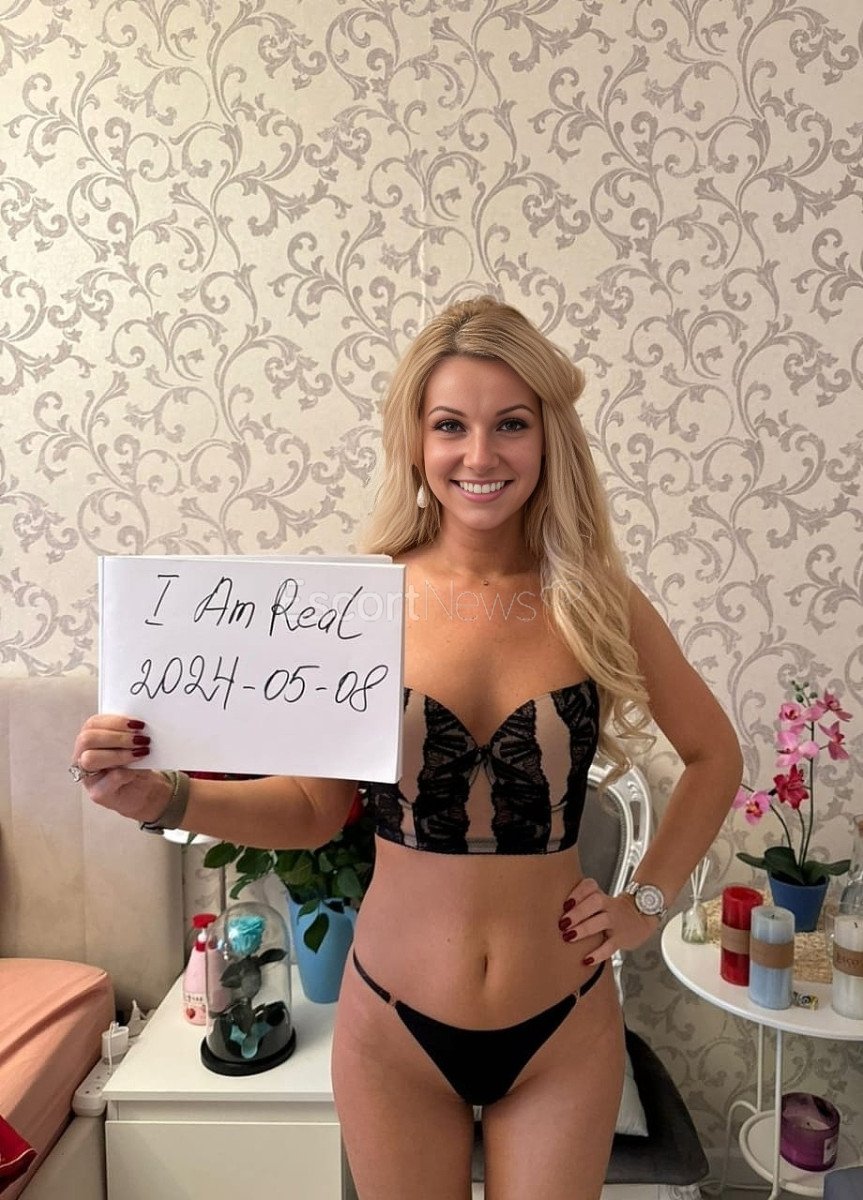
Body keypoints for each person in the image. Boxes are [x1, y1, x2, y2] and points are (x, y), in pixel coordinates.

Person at [71, 296, 743, 1200]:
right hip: (394, 1030)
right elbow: (311, 811)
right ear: (416, 441)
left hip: (563, 1024)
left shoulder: (596, 599)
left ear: (548, 436)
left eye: (510, 424)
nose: (480, 455)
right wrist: (167, 798)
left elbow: (713, 756)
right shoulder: (362, 602)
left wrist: (645, 904)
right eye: (450, 425)